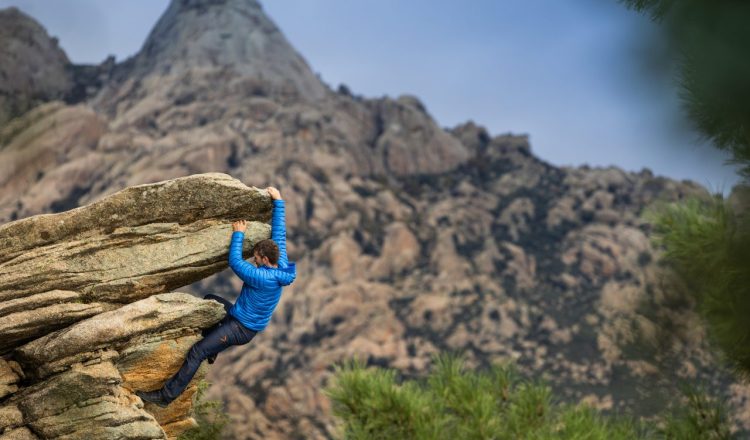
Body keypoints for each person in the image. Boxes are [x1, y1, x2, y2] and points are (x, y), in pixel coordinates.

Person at [137, 186, 296, 407]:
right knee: (211, 299)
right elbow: (280, 232)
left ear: (265, 259)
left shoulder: (261, 277)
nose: (255, 260)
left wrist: (238, 234)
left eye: (257, 258)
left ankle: (166, 397)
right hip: (240, 317)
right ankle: (215, 348)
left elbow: (236, 263)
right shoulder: (282, 265)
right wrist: (278, 201)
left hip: (241, 328)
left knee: (196, 352)